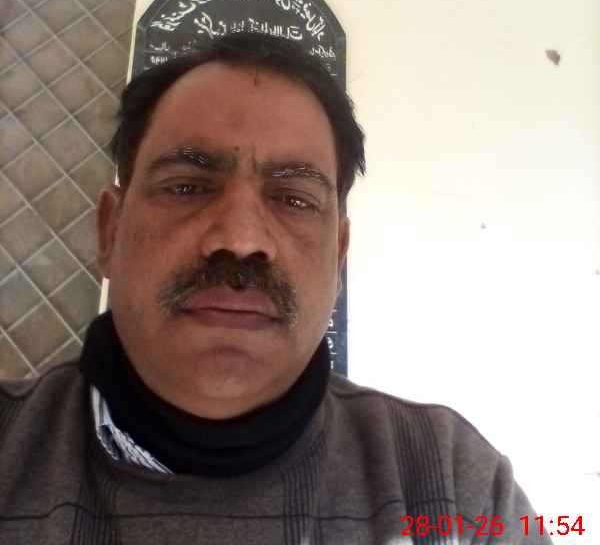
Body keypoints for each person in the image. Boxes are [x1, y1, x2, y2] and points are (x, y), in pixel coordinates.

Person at [0, 32, 550, 544]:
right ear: (110, 230)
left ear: (337, 255)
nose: (241, 239)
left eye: (293, 199)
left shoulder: (454, 486)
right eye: (187, 187)